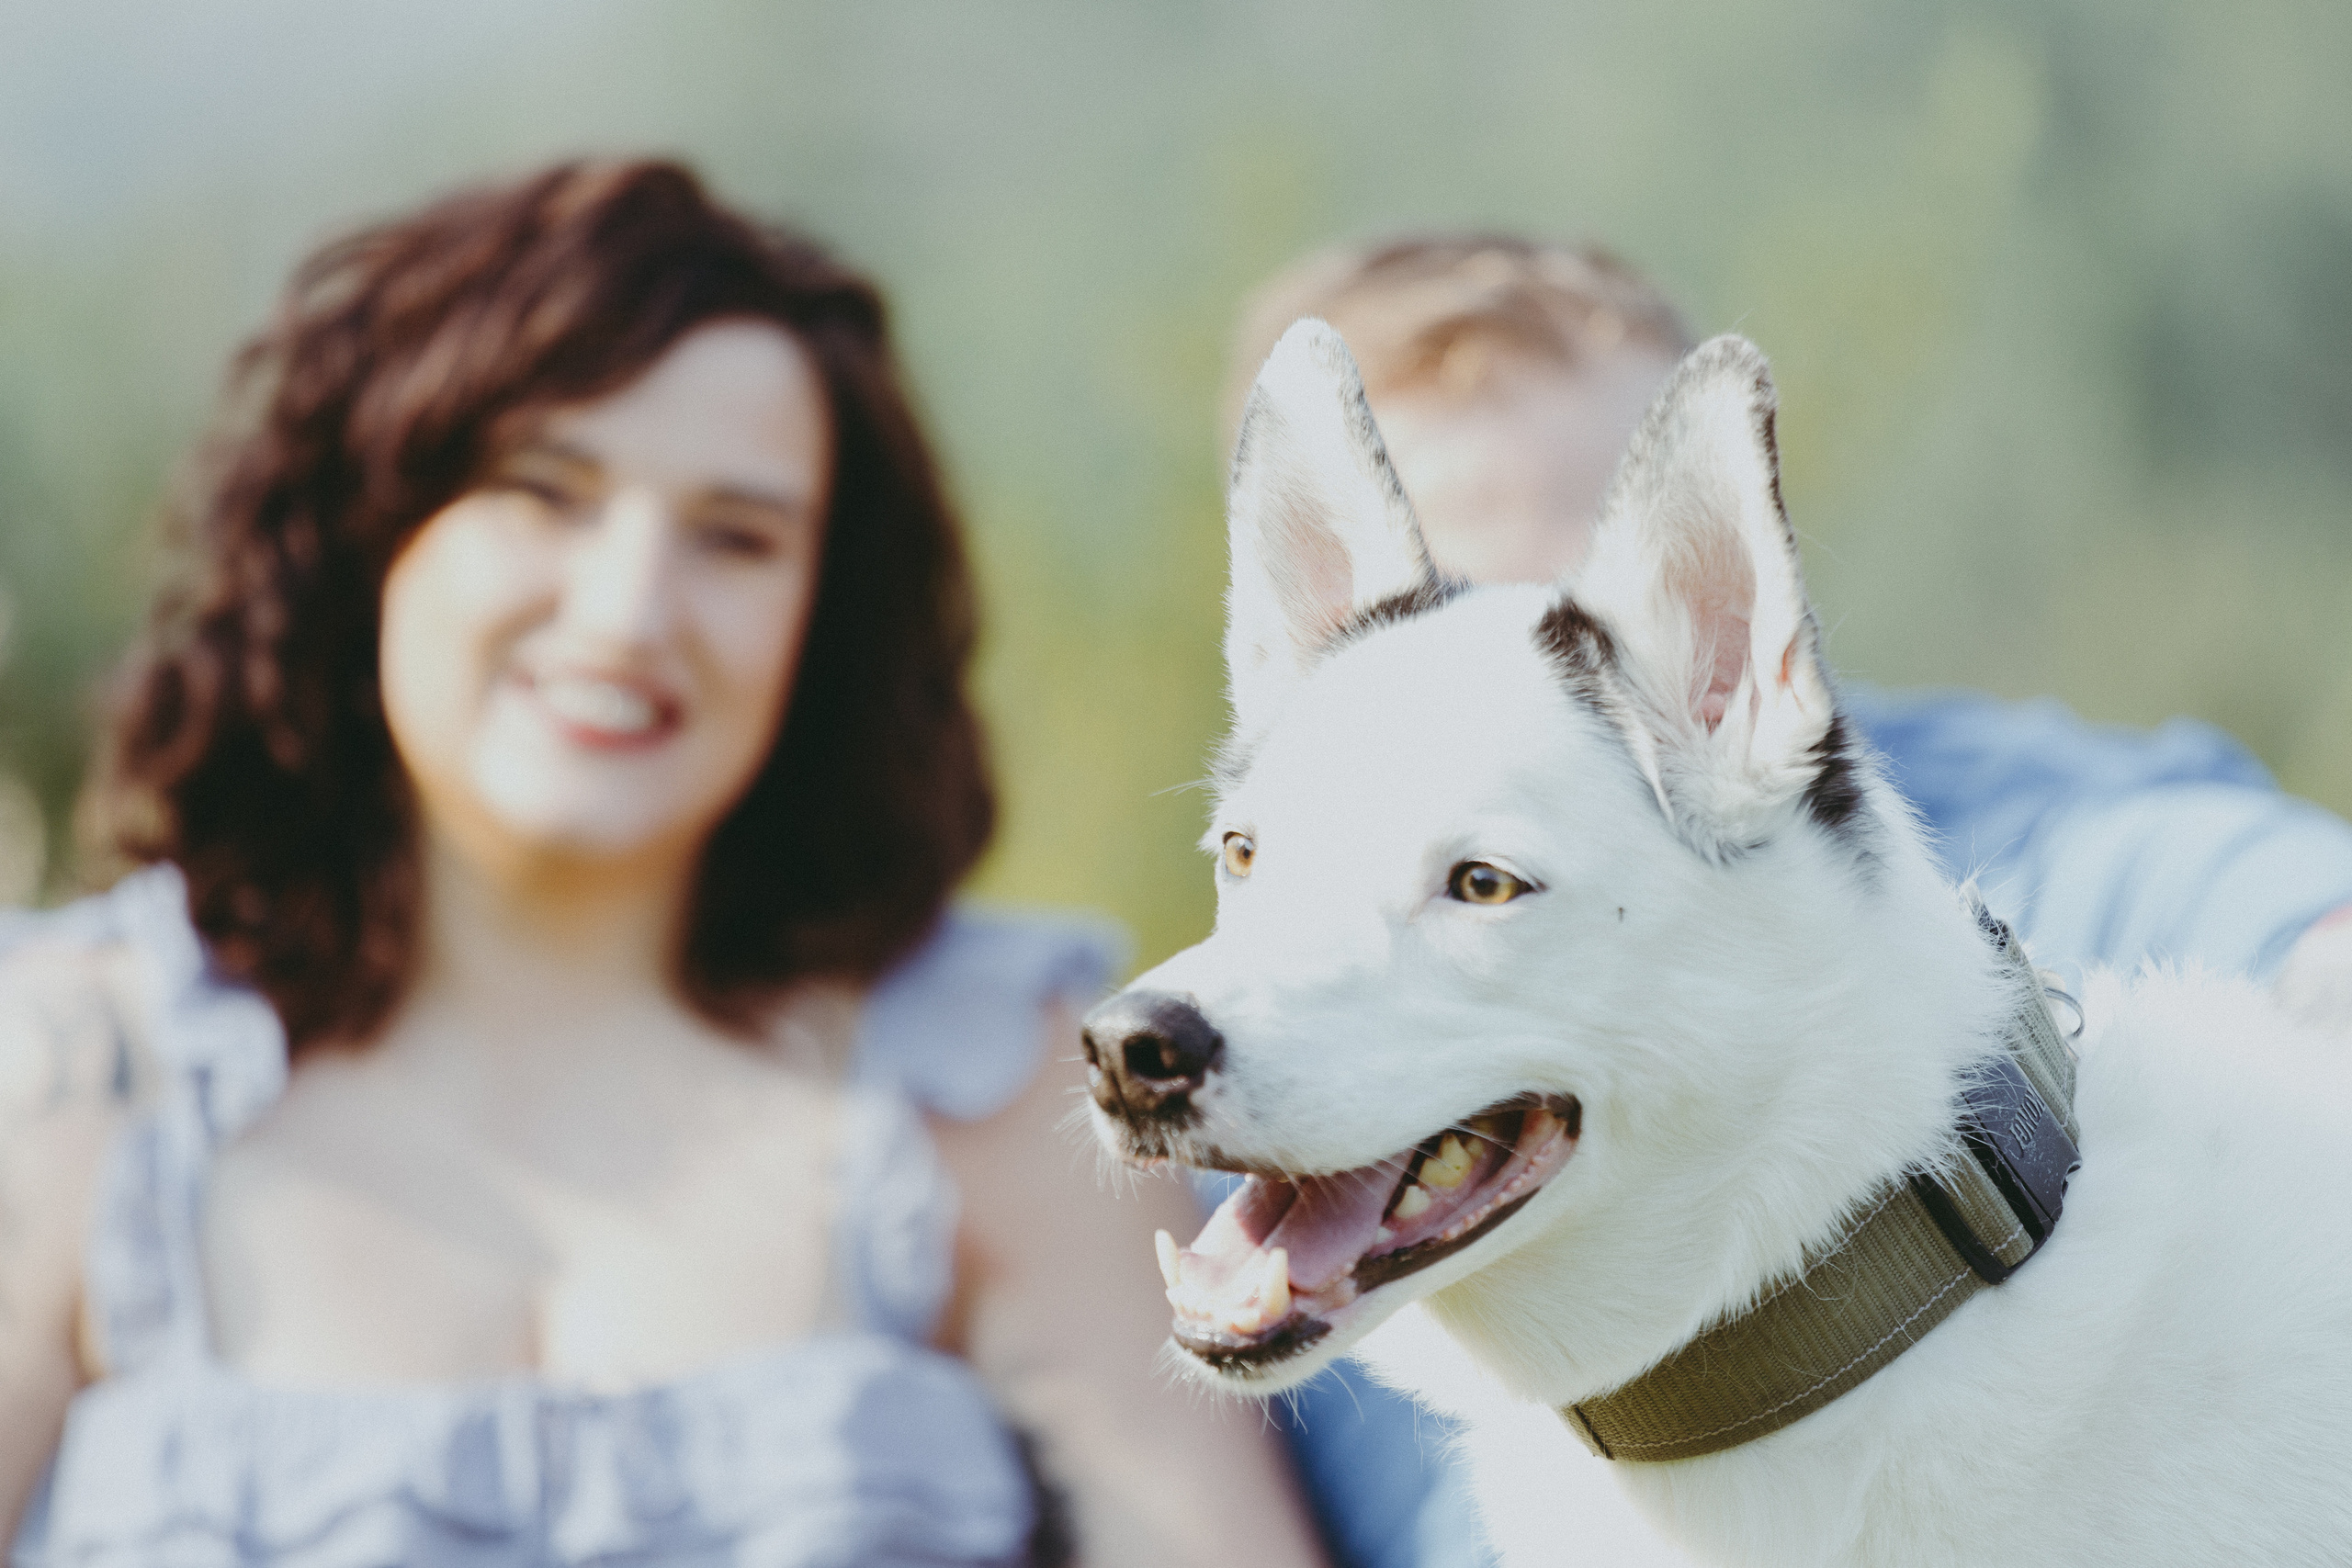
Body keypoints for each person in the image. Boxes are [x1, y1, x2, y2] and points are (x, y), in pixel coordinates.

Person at [0, 161, 1333, 1568]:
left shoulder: (995, 1085)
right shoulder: (76, 1069)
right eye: (542, 493)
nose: (630, 611)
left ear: (825, 617)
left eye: (736, 538)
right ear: (368, 527)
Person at [1220, 232, 2352, 1566]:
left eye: (1600, 583)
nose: (1558, 651)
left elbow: (2283, 919)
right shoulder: (1243, 1163)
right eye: (1456, 617)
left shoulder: (2010, 826)